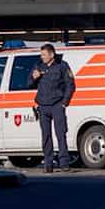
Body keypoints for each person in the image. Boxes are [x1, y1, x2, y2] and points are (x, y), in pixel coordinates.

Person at [31, 43, 76, 171]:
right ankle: (48, 163)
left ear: (52, 54)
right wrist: (34, 77)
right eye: (41, 55)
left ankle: (64, 163)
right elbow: (29, 83)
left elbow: (71, 85)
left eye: (44, 55)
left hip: (57, 105)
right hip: (43, 106)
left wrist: (64, 103)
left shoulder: (62, 66)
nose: (42, 57)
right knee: (46, 135)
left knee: (61, 134)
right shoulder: (38, 66)